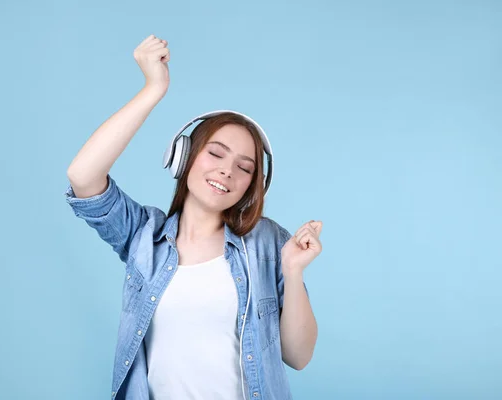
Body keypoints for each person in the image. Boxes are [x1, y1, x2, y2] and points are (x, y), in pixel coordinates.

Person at [64, 34, 323, 400]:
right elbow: (82, 177)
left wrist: (294, 272)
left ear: (252, 184)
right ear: (183, 156)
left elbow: (299, 356)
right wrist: (154, 88)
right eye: (215, 153)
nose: (226, 171)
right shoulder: (143, 236)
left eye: (244, 167)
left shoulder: (269, 243)